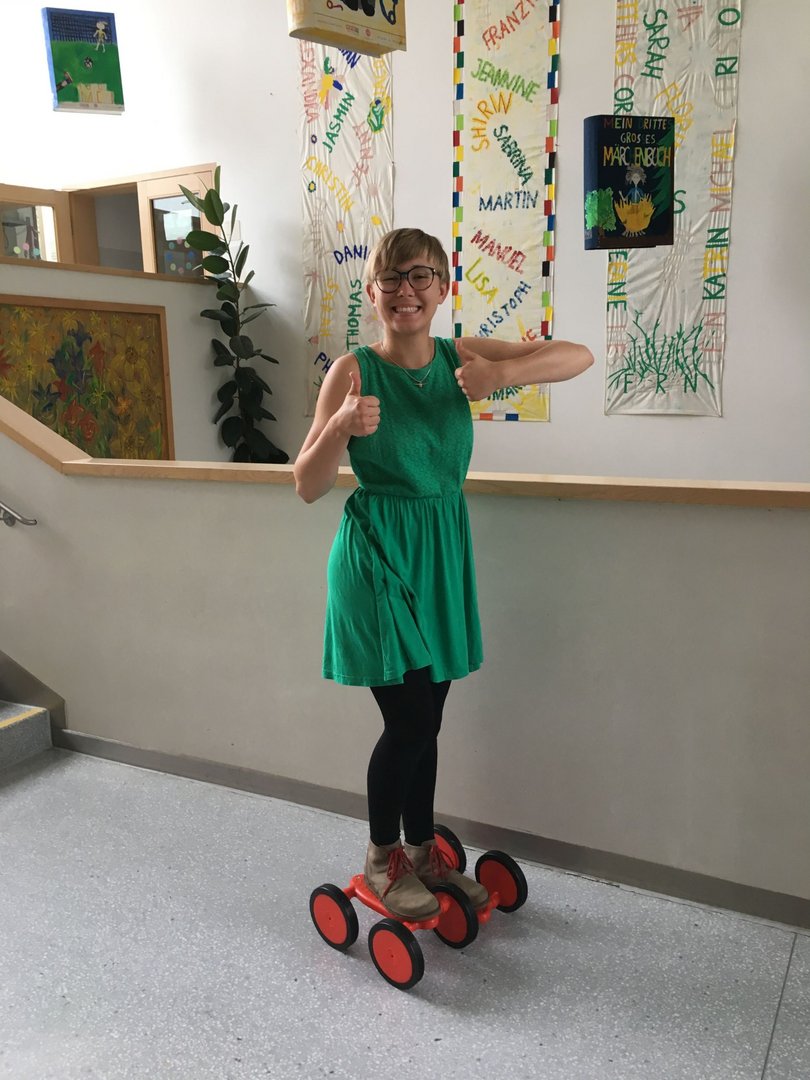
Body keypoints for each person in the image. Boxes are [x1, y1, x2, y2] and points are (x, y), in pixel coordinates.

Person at [294, 228, 593, 920]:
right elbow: (307, 484)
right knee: (409, 723)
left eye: (421, 276)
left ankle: (423, 853)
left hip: (441, 554)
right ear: (373, 292)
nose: (407, 291)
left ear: (443, 286)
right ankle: (381, 862)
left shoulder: (464, 356)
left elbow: (577, 355)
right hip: (376, 555)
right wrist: (340, 426)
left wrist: (502, 376)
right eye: (392, 278)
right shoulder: (353, 371)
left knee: (428, 721)